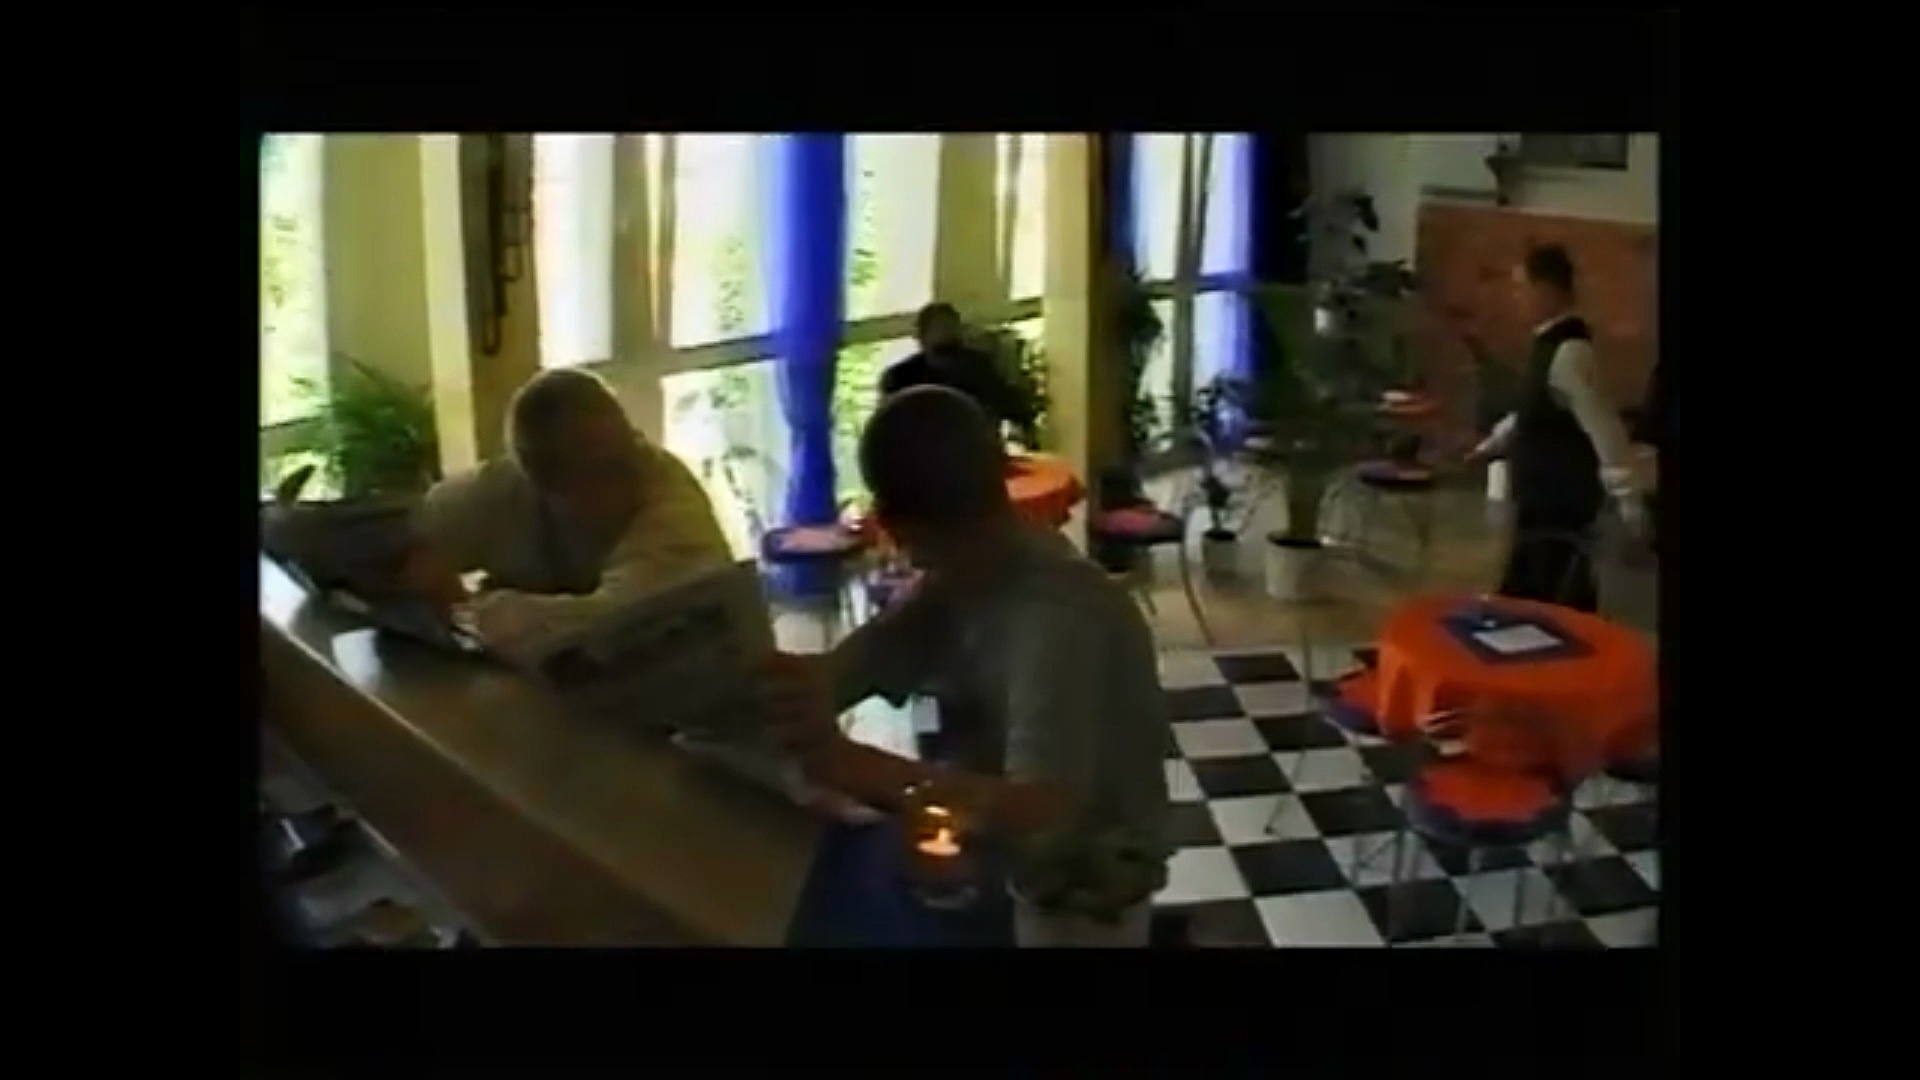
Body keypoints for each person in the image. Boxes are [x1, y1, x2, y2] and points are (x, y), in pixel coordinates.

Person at [760, 386, 1170, 947]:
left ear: (894, 527)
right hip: (1006, 872)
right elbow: (861, 663)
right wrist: (791, 688)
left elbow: (1043, 810)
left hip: (1083, 894)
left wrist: (850, 764)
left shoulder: (1055, 618)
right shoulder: (966, 573)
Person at [402, 368, 732, 664]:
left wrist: (472, 610)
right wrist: (420, 567)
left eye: (629, 450)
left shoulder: (674, 510)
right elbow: (412, 537)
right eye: (603, 469)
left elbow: (619, 625)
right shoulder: (505, 487)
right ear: (543, 483)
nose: (632, 471)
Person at [1466, 244, 1646, 612]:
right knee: (1546, 597)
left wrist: (1629, 500)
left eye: (1522, 288)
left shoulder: (1571, 354)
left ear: (1546, 291)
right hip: (1539, 501)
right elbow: (1531, 408)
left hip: (1560, 504)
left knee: (1548, 600)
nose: (1515, 297)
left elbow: (1605, 429)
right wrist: (1492, 444)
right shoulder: (1547, 344)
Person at [879, 302, 1036, 439]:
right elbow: (887, 428)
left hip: (974, 450)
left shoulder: (979, 368)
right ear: (921, 336)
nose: (945, 332)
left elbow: (1010, 404)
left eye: (949, 327)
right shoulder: (901, 377)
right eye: (939, 327)